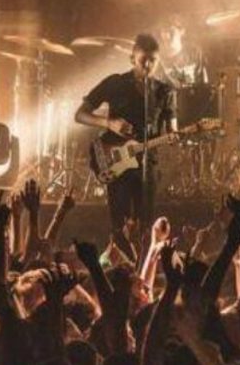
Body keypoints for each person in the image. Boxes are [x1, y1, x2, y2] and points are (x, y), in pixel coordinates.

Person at [75, 34, 175, 260]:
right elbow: (80, 114)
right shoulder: (115, 83)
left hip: (147, 164)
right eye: (143, 60)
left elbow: (171, 128)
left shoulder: (164, 91)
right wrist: (109, 122)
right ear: (132, 59)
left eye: (153, 60)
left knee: (145, 225)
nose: (148, 65)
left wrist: (172, 135)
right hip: (117, 162)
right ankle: (117, 270)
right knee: (119, 225)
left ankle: (141, 272)